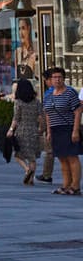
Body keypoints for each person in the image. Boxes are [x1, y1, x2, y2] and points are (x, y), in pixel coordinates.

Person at [43, 67, 81, 195]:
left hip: (68, 128)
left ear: (63, 78)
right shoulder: (48, 94)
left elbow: (77, 111)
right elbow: (47, 113)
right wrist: (48, 131)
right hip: (55, 129)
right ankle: (66, 184)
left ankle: (75, 186)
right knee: (62, 158)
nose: (57, 80)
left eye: (59, 77)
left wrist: (75, 130)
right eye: (54, 77)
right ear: (50, 80)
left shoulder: (70, 93)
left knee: (72, 157)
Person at [8, 76, 46, 187]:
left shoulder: (18, 102)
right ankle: (31, 179)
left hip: (22, 131)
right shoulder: (37, 102)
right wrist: (41, 129)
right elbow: (41, 117)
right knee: (32, 157)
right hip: (34, 131)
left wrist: (11, 129)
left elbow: (16, 118)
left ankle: (27, 169)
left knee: (18, 155)